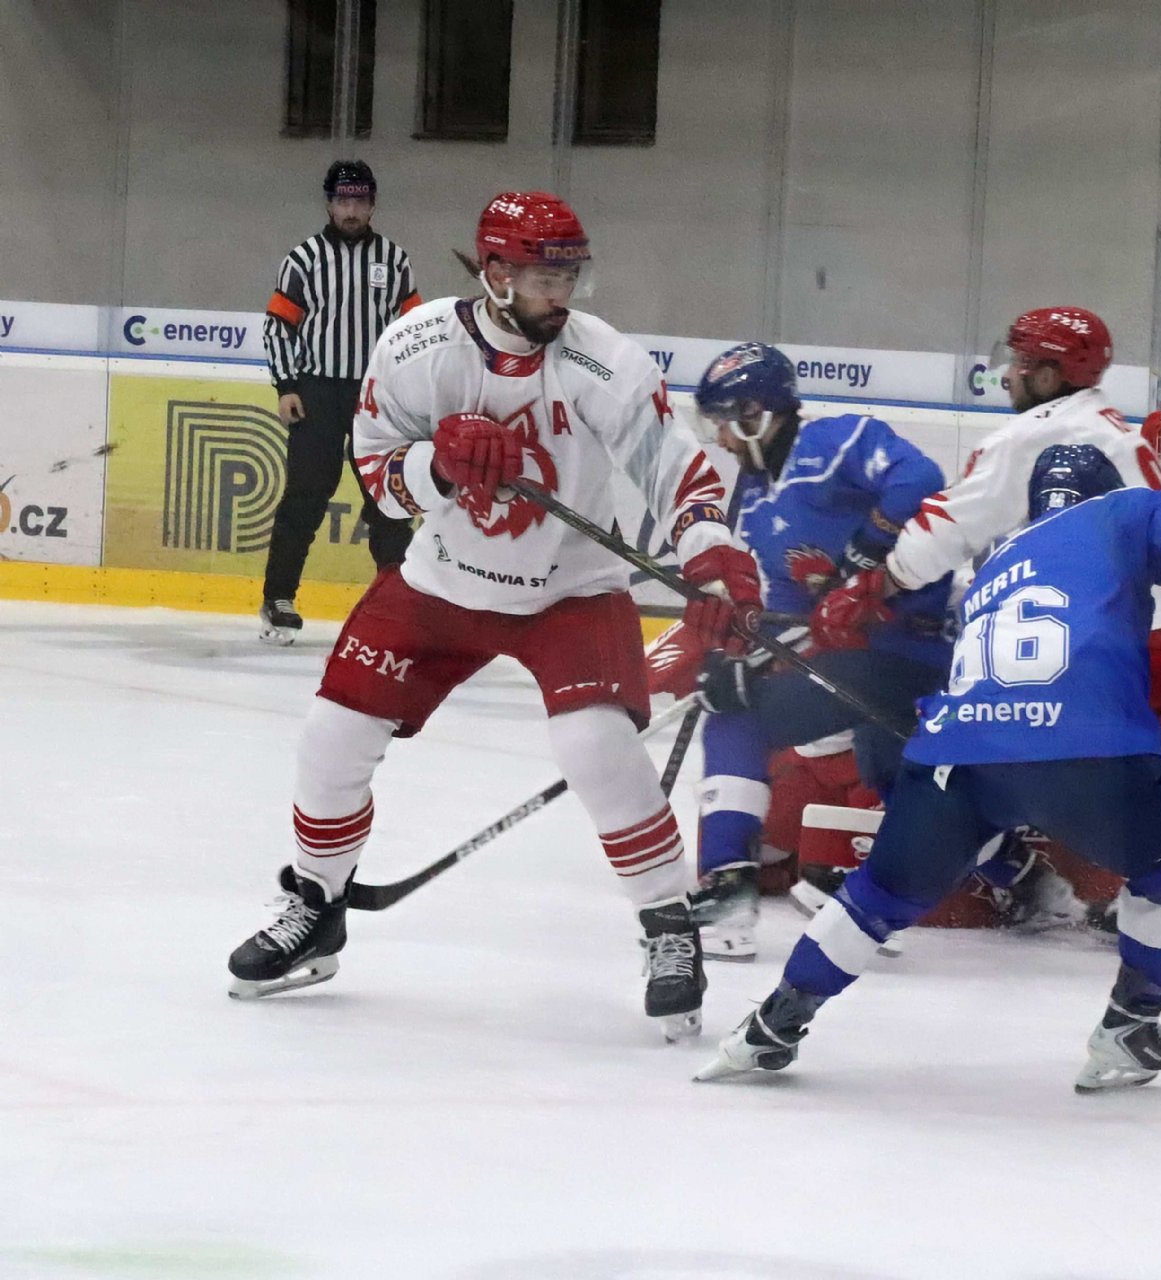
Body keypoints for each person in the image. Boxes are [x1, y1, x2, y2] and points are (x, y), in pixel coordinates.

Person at [228, 192, 762, 1043]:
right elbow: (378, 476)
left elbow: (677, 475)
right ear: (495, 273)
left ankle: (669, 925)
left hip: (570, 591)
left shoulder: (605, 362)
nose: (563, 294)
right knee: (332, 736)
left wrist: (713, 559)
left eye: (571, 277)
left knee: (596, 748)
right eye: (547, 278)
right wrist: (438, 468)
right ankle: (316, 906)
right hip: (440, 583)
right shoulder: (417, 345)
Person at [698, 444, 1161, 1092]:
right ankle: (1136, 1015)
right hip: (1081, 746)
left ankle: (769, 1026)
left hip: (953, 756)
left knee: (878, 895)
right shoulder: (1116, 511)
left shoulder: (996, 560)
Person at [807, 304, 1161, 922]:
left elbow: (946, 528)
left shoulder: (1031, 437)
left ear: (1048, 375)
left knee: (955, 751)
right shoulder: (1110, 429)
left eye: (1021, 363)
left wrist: (873, 586)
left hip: (1108, 649)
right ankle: (1130, 892)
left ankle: (1016, 877)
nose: (1008, 374)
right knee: (1089, 770)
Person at [655, 342, 952, 961]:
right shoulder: (757, 500)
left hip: (926, 648)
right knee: (741, 709)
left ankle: (741, 889)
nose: (722, 440)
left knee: (757, 723)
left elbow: (922, 479)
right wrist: (744, 659)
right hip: (863, 664)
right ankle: (739, 894)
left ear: (756, 413)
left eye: (725, 422)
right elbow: (798, 612)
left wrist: (868, 552)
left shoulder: (833, 442)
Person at [260, 160, 424, 644]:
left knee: (388, 499)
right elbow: (278, 326)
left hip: (377, 397)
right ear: (329, 203)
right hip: (317, 392)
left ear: (372, 204)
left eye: (360, 201)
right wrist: (287, 385)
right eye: (342, 201)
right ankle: (278, 597)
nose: (351, 210)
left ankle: (399, 603)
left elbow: (412, 331)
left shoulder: (395, 260)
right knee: (306, 495)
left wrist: (411, 392)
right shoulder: (303, 259)